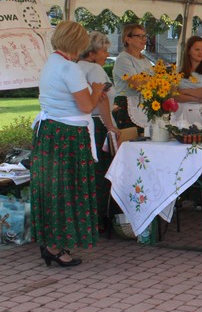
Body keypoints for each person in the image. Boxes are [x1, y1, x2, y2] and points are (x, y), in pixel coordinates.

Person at [31, 21, 107, 267]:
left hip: (51, 131)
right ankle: (55, 247)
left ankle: (52, 241)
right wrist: (97, 89)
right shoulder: (70, 69)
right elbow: (86, 106)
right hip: (68, 135)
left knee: (54, 189)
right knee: (67, 190)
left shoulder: (51, 63)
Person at [77, 31, 121, 225]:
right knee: (102, 174)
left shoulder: (75, 67)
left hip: (83, 124)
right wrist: (110, 125)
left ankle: (87, 217)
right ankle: (101, 218)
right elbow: (102, 100)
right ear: (92, 53)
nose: (106, 54)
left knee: (87, 174)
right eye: (104, 51)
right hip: (98, 125)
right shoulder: (95, 70)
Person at [112, 23, 153, 130]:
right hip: (127, 105)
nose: (144, 39)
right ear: (128, 39)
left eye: (145, 36)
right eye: (139, 36)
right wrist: (152, 83)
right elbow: (137, 84)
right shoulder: (123, 59)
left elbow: (155, 83)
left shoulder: (145, 60)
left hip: (144, 105)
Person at [172, 36, 202, 124]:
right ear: (189, 51)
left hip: (200, 112)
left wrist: (183, 91)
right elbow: (174, 95)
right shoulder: (177, 71)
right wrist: (196, 98)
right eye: (197, 49)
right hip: (180, 112)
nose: (200, 53)